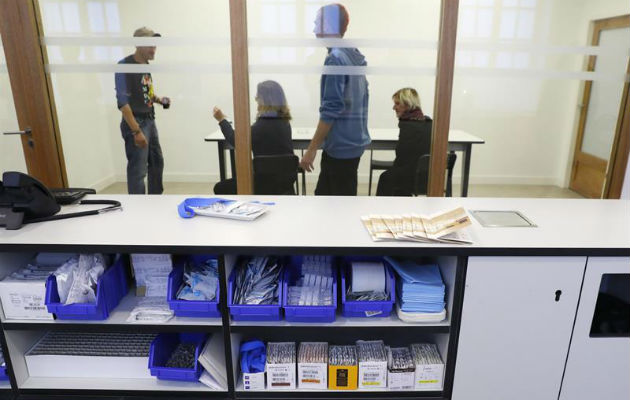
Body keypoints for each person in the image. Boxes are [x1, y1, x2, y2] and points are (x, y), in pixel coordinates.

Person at [299, 3, 370, 196]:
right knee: (328, 199)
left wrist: (312, 149)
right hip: (352, 143)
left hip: (341, 147)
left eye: (316, 23)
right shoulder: (352, 56)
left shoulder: (336, 58)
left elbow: (331, 108)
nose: (314, 29)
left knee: (336, 207)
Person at [115, 26, 170, 195]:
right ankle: (138, 208)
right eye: (150, 45)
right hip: (136, 124)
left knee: (157, 163)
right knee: (138, 171)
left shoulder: (145, 65)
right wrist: (136, 131)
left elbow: (146, 93)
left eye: (155, 45)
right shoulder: (124, 66)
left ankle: (154, 202)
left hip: (149, 120)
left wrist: (159, 100)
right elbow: (123, 103)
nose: (154, 49)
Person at [212, 80, 294, 194]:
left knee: (219, 188)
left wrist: (221, 120)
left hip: (262, 184)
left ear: (265, 100)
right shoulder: (285, 123)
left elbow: (236, 140)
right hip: (285, 184)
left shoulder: (260, 126)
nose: (255, 99)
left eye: (258, 97)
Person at [376, 88, 432, 196]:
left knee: (386, 177)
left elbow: (401, 157)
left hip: (412, 180)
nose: (394, 108)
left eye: (397, 104)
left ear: (407, 104)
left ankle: (381, 211)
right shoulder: (429, 122)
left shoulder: (407, 125)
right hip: (429, 177)